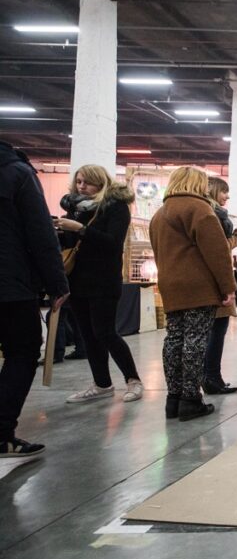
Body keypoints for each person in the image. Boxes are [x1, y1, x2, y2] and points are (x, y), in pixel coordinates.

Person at [150, 167, 236, 421]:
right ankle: (191, 399)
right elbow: (217, 252)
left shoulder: (159, 213)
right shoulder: (199, 209)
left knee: (173, 339)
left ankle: (173, 399)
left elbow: (158, 253)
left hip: (170, 284)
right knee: (195, 341)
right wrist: (227, 286)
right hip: (198, 286)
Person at [0, 141, 69, 458]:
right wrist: (56, 283)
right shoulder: (17, 173)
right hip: (9, 284)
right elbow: (40, 233)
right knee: (23, 350)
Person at [57, 165, 144, 404]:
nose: (82, 187)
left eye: (87, 182)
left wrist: (81, 230)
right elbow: (70, 246)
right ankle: (102, 383)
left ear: (101, 183)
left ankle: (133, 380)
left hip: (104, 281)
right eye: (79, 182)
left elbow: (112, 244)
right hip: (77, 281)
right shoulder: (75, 209)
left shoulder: (115, 207)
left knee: (105, 332)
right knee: (88, 335)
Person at [202, 177, 237, 394]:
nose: (227, 196)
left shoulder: (212, 214)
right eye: (224, 192)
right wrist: (236, 238)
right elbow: (217, 250)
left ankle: (211, 377)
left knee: (212, 332)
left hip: (212, 280)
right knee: (216, 332)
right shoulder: (212, 215)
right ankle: (211, 378)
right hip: (216, 281)